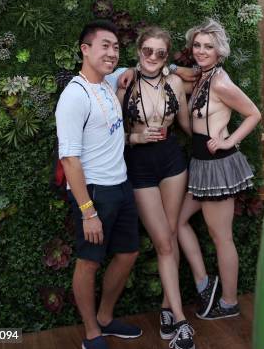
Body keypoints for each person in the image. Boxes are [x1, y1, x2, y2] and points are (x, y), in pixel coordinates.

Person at [55, 20, 141, 349]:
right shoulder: (74, 97)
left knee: (129, 253)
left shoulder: (107, 82)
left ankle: (106, 317)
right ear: (85, 49)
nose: (112, 52)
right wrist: (88, 212)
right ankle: (91, 332)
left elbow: (138, 67)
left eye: (116, 47)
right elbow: (69, 160)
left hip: (121, 184)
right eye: (104, 45)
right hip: (94, 193)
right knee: (89, 261)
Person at [111, 26, 195, 349]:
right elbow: (114, 135)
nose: (153, 58)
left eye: (161, 53)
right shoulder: (125, 84)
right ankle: (182, 321)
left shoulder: (174, 82)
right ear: (139, 50)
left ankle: (166, 310)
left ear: (166, 56)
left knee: (170, 236)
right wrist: (136, 137)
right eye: (148, 51)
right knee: (162, 241)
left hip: (172, 161)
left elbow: (186, 124)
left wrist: (216, 134)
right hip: (140, 166)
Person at [177, 18, 261, 319]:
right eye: (197, 45)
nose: (201, 51)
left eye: (208, 47)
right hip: (200, 163)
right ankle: (204, 283)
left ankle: (228, 302)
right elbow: (180, 72)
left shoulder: (222, 82)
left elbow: (253, 113)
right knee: (178, 223)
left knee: (221, 236)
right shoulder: (202, 76)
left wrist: (229, 141)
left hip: (216, 165)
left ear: (219, 51)